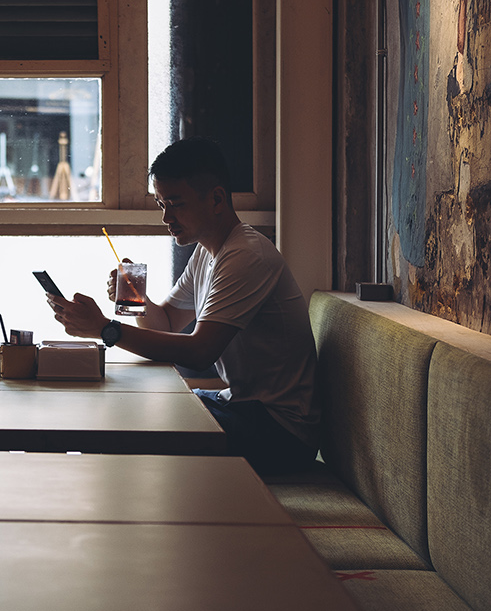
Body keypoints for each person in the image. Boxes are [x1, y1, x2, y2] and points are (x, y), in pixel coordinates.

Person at [48, 137, 319, 474]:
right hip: (239, 409)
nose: (166, 218)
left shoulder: (246, 255)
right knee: (123, 411)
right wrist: (136, 299)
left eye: (176, 203)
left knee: (129, 427)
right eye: (162, 204)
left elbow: (199, 351)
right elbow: (166, 324)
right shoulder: (208, 251)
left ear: (216, 199)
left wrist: (105, 329)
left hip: (280, 434)